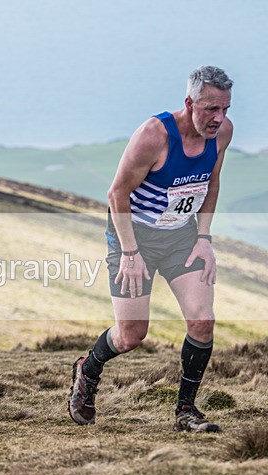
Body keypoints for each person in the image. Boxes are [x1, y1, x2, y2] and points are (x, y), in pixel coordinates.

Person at [69, 66, 234, 432]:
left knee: (202, 321)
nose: (218, 118)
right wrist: (130, 252)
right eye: (210, 109)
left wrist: (204, 239)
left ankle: (186, 412)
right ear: (189, 102)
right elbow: (116, 194)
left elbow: (212, 182)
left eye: (225, 109)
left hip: (180, 237)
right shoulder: (154, 135)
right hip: (133, 236)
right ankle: (88, 370)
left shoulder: (222, 133)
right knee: (131, 334)